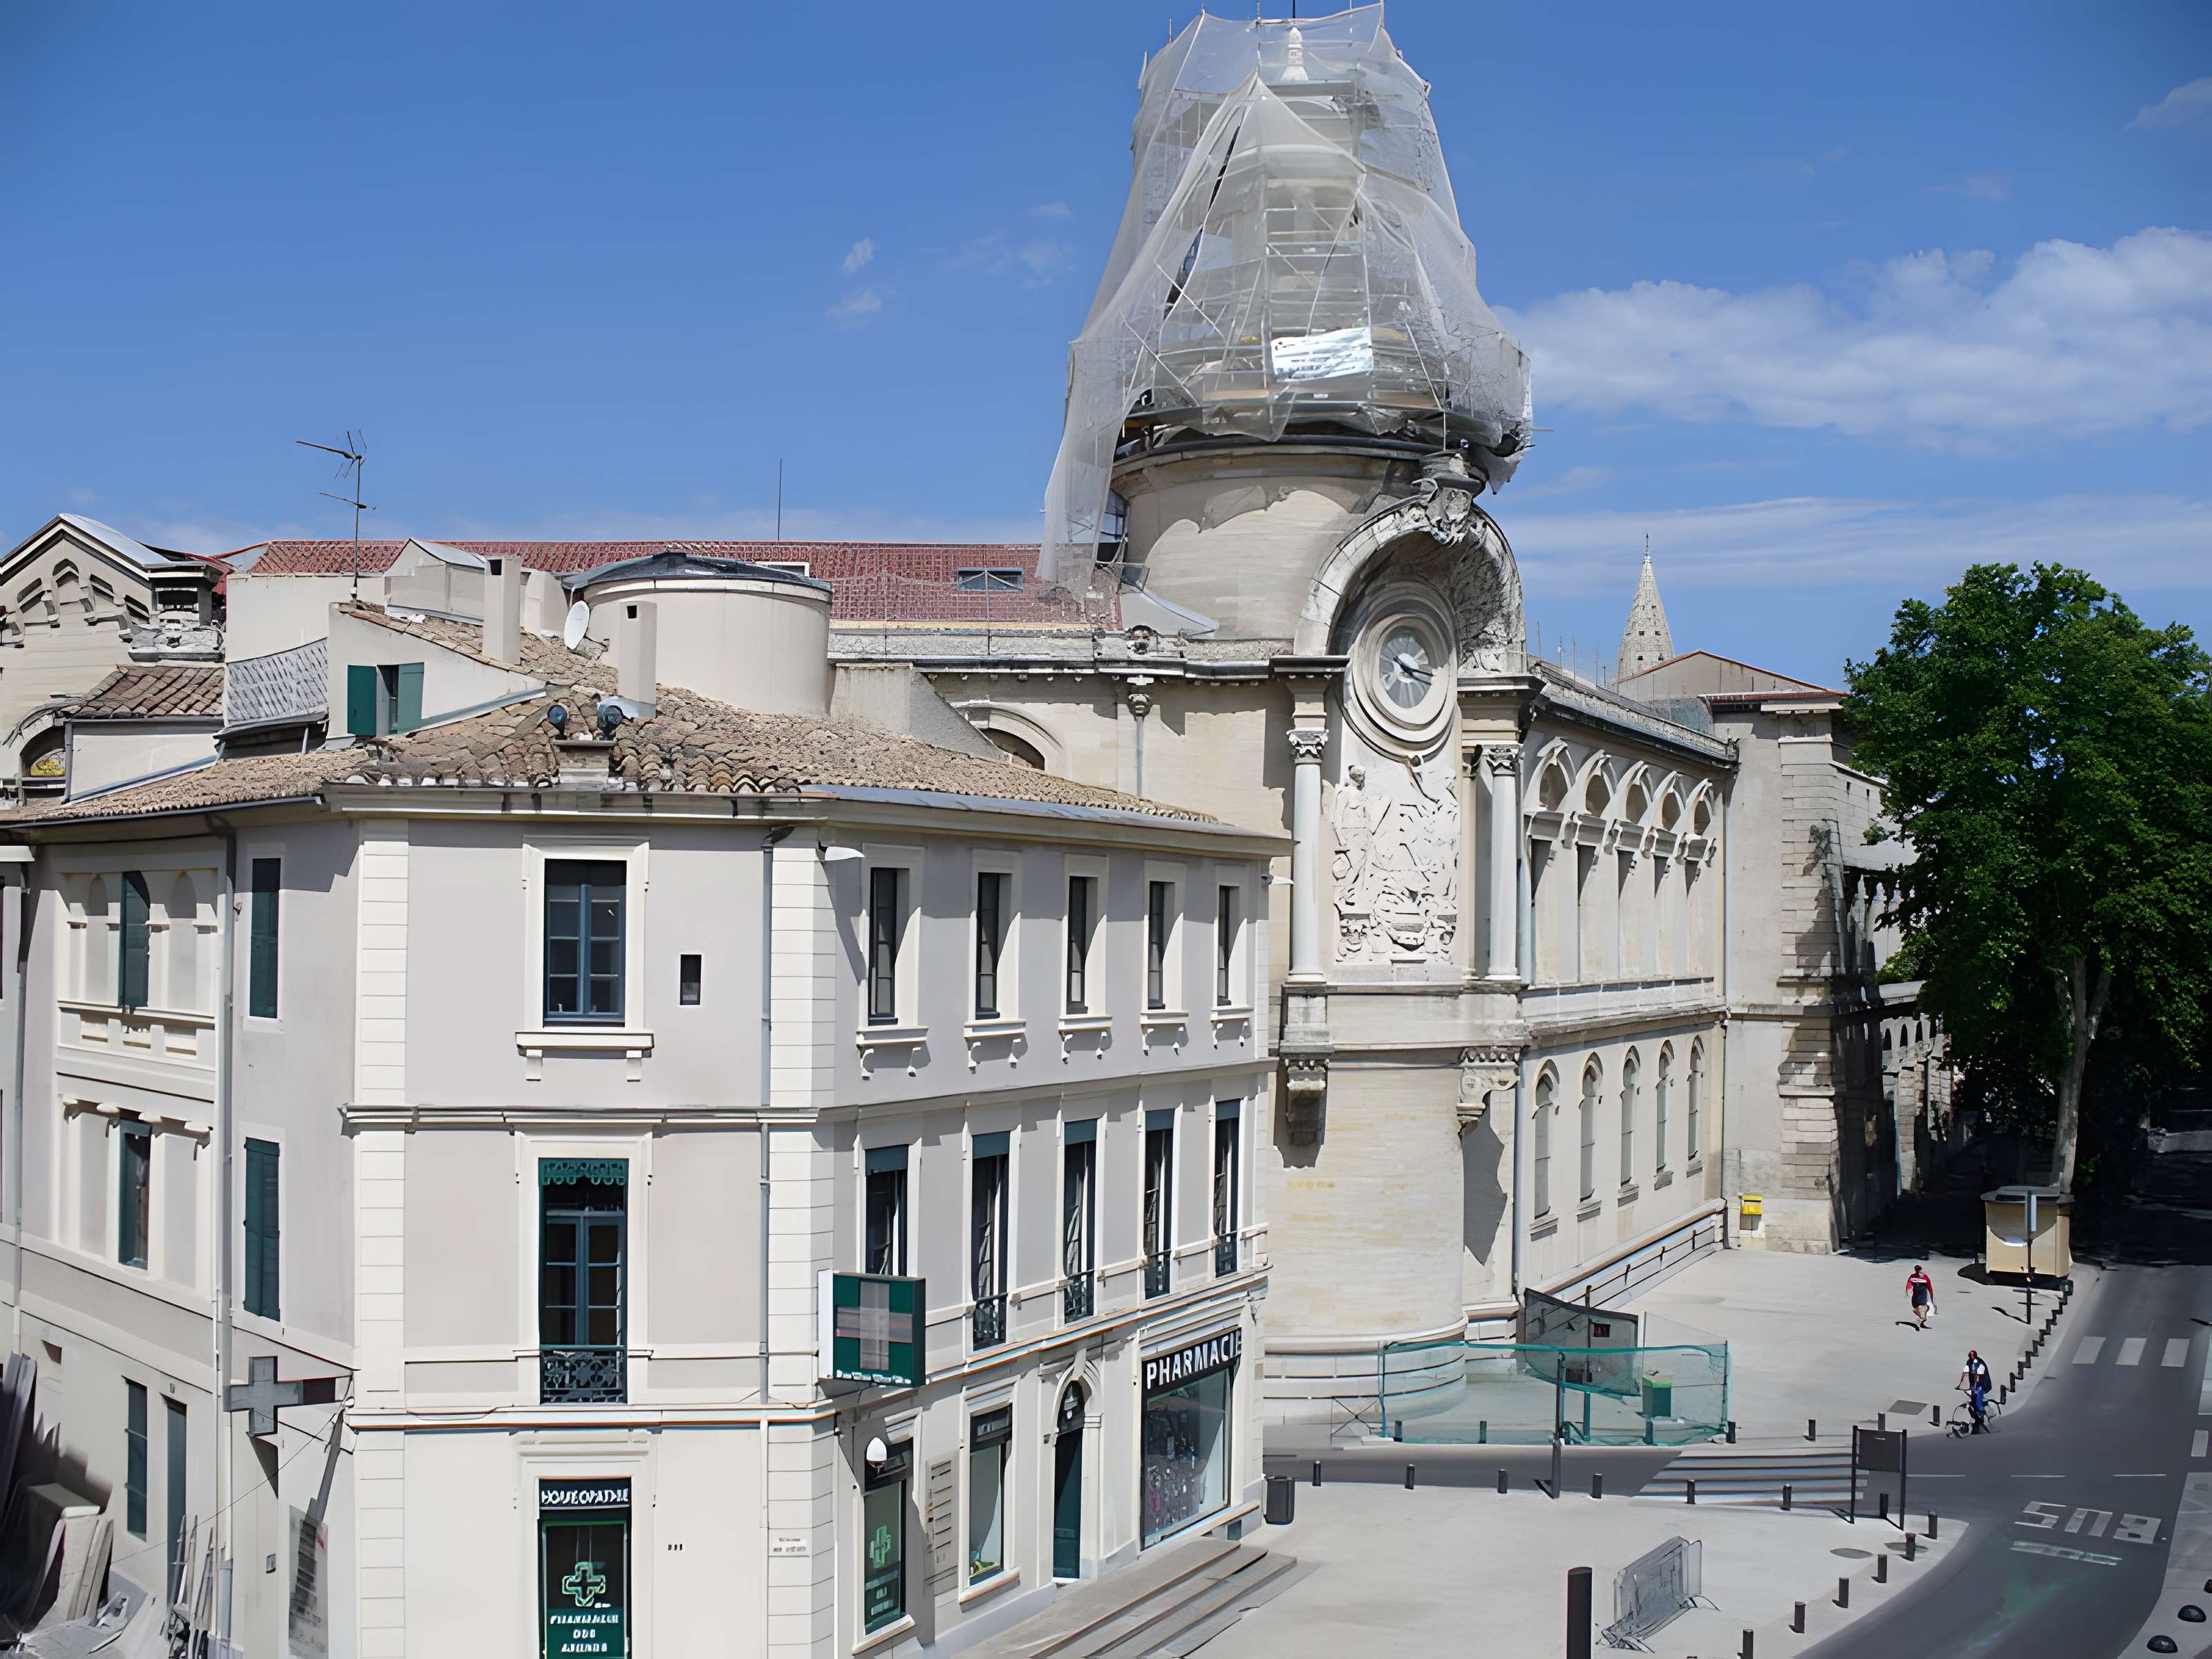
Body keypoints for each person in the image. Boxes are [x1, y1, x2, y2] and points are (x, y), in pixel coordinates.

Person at [1958, 1349, 1991, 1433]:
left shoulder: (1980, 1363)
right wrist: (1961, 1383)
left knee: (1977, 1399)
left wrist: (1975, 1386)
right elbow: (1965, 1372)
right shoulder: (1969, 1362)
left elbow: (1979, 1376)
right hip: (1974, 1384)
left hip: (1982, 1384)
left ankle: (1983, 1417)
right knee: (1973, 1400)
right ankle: (1976, 1417)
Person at [1906, 1264, 1936, 1329]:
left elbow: (1930, 1287)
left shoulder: (1925, 1277)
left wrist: (1931, 1296)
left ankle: (1919, 1323)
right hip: (1915, 1298)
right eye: (1916, 1269)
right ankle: (1923, 1319)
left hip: (1922, 1298)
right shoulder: (1912, 1277)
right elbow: (1909, 1284)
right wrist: (1909, 1291)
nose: (1917, 1271)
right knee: (1915, 1310)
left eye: (1918, 1269)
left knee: (1921, 1312)